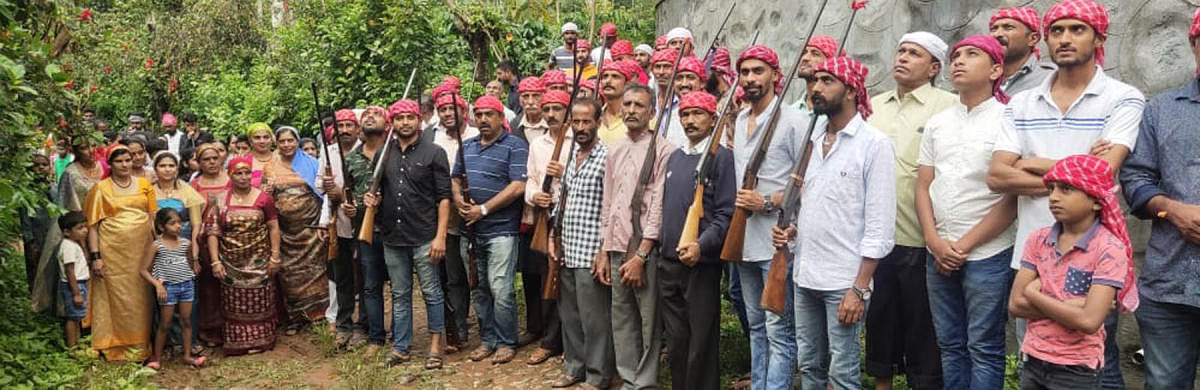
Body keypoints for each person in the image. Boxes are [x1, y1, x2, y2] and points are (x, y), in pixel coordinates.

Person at [987, 2, 1144, 387]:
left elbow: (1103, 173)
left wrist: (1034, 162)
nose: (1065, 38)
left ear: (1099, 37)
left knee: (1094, 362)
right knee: (1035, 357)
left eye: (1077, 29)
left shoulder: (1123, 97)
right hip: (1034, 251)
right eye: (1057, 31)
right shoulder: (1021, 103)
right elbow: (996, 174)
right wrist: (1075, 173)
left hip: (1094, 251)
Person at [772, 56, 895, 390]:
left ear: (852, 91)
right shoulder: (810, 143)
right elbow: (808, 205)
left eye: (827, 81)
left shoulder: (874, 144)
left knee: (842, 372)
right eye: (815, 81)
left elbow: (880, 224)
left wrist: (859, 287)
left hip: (844, 280)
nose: (816, 88)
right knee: (809, 364)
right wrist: (791, 231)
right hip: (805, 274)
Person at [916, 35, 1018, 390]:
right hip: (937, 250)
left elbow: (1011, 196)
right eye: (955, 55)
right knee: (950, 345)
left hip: (988, 253)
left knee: (984, 347)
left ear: (995, 69)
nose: (958, 60)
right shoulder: (938, 122)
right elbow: (923, 185)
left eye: (970, 54)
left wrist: (962, 246)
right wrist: (934, 240)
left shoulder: (1011, 119)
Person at [865, 31, 956, 390]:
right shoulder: (871, 105)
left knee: (923, 327)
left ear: (934, 67)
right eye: (900, 50)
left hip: (922, 236)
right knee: (880, 320)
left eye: (914, 53)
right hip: (876, 236)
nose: (902, 57)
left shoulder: (947, 105)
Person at [1118, 10, 1200, 388]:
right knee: (1165, 384)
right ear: (1194, 45)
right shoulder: (1161, 109)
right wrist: (1172, 210)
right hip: (1171, 284)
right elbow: (1136, 177)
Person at [1009, 155, 1134, 390]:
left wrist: (1034, 293)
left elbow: (1089, 321)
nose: (1053, 197)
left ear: (1096, 201)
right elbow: (1016, 305)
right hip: (1033, 359)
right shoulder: (1038, 239)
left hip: (1077, 368)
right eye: (1052, 188)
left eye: (1066, 189)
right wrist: (1076, 306)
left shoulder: (1108, 248)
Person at [728, 45, 806, 390]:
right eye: (744, 72)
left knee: (779, 330)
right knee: (757, 326)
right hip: (744, 241)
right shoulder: (740, 119)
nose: (750, 79)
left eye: (758, 71)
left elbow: (806, 180)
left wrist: (767, 201)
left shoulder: (793, 120)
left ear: (775, 75)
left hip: (777, 241)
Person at [596, 84, 676, 389]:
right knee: (622, 318)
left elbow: (657, 206)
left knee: (648, 320)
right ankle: (628, 377)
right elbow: (609, 202)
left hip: (644, 249)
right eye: (627, 104)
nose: (631, 110)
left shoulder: (664, 149)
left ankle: (644, 382)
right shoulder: (614, 149)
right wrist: (604, 249)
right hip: (616, 245)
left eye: (639, 105)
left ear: (652, 112)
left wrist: (642, 254)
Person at [361, 99, 451, 369]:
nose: (404, 122)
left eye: (409, 117)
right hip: (393, 236)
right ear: (393, 123)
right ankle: (401, 347)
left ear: (418, 120)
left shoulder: (434, 152)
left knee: (432, 292)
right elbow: (380, 193)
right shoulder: (383, 154)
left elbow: (444, 199)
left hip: (424, 235)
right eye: (399, 118)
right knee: (400, 294)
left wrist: (441, 236)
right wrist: (372, 203)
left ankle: (435, 346)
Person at [658, 91, 736, 390]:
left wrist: (701, 244)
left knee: (701, 342)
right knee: (677, 343)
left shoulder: (722, 159)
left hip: (700, 265)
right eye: (685, 114)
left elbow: (725, 213)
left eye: (698, 114)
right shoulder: (675, 157)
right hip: (668, 263)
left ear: (713, 118)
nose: (690, 120)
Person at [452, 95, 528, 364]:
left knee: (501, 288)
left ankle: (507, 341)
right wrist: (460, 200)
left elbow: (518, 186)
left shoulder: (515, 146)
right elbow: (455, 179)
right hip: (470, 231)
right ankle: (488, 340)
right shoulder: (467, 146)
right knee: (479, 288)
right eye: (479, 114)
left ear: (500, 117)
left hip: (501, 230)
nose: (483, 119)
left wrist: (483, 210)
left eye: (489, 114)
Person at [548, 97, 614, 389]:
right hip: (567, 247)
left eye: (587, 121)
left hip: (591, 252)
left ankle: (598, 375)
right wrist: (553, 233)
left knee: (594, 319)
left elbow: (612, 207)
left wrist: (604, 251)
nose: (581, 127)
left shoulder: (606, 157)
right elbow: (561, 198)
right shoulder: (570, 153)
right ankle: (574, 367)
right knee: (570, 315)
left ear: (598, 123)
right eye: (576, 122)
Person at [84, 145, 158, 360]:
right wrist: (96, 256)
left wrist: (160, 247)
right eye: (119, 161)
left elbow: (153, 217)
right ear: (110, 164)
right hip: (112, 252)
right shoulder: (100, 189)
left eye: (128, 160)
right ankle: (115, 344)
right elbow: (92, 226)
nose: (125, 164)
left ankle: (141, 344)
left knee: (141, 296)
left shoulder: (145, 185)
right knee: (116, 297)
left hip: (141, 251)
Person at [205, 155, 282, 356]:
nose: (243, 177)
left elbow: (273, 227)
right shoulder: (220, 200)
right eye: (238, 173)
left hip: (260, 260)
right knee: (233, 301)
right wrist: (215, 262)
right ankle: (238, 341)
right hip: (231, 262)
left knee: (261, 299)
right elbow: (213, 233)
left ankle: (262, 339)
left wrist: (275, 256)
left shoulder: (264, 198)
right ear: (230, 175)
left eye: (247, 172)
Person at [520, 90, 573, 365]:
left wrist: (565, 173)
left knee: (573, 283)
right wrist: (534, 196)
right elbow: (530, 178)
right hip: (546, 217)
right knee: (548, 279)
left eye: (557, 109)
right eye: (548, 108)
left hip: (574, 218)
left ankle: (574, 343)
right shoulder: (537, 144)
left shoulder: (577, 140)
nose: (551, 114)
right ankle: (551, 341)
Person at [429, 83, 479, 354]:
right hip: (445, 218)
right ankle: (457, 329)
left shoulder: (475, 133)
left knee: (480, 276)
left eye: (452, 108)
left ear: (463, 110)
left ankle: (489, 330)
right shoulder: (432, 137)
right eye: (443, 109)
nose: (448, 113)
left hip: (476, 215)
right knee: (454, 277)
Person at [266, 126, 330, 334]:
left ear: (297, 141)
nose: (286, 145)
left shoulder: (312, 163)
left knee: (317, 271)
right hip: (285, 233)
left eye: (290, 141)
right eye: (282, 141)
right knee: (289, 275)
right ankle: (295, 318)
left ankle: (320, 315)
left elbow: (323, 193)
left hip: (312, 230)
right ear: (277, 143)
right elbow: (265, 199)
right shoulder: (270, 167)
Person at [319, 108, 368, 350]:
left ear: (358, 128)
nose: (346, 130)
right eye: (342, 126)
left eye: (350, 125)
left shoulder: (367, 150)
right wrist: (328, 186)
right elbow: (320, 185)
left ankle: (365, 325)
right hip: (338, 224)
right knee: (343, 277)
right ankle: (343, 325)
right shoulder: (328, 152)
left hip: (364, 223)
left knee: (367, 277)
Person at [142, 208, 206, 369]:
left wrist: (194, 268)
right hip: (168, 288)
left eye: (179, 222)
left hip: (186, 286)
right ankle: (156, 358)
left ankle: (187, 356)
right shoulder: (157, 245)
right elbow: (143, 270)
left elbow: (191, 262)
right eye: (172, 223)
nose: (178, 226)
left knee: (186, 321)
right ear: (162, 227)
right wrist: (157, 284)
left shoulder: (186, 243)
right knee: (165, 323)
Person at [190, 142, 230, 347]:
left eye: (215, 158)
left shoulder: (232, 179)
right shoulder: (195, 185)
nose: (212, 162)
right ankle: (210, 329)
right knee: (209, 287)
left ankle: (232, 326)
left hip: (232, 239)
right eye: (206, 159)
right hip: (205, 242)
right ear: (199, 163)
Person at [989, 7, 1056, 96]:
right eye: (994, 29)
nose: (997, 34)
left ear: (1032, 39)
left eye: (1008, 28)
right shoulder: (978, 77)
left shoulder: (1051, 78)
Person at [57, 211, 89, 347]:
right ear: (67, 232)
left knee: (77, 317)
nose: (85, 230)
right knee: (72, 317)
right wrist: (76, 293)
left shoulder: (74, 244)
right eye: (80, 228)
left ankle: (77, 343)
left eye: (85, 227)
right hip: (74, 286)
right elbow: (69, 271)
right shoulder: (68, 246)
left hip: (79, 284)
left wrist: (82, 243)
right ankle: (72, 346)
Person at [662, 56, 707, 148]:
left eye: (690, 78)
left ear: (702, 82)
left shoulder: (711, 115)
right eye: (679, 78)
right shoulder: (669, 112)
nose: (684, 84)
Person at [789, 35, 839, 111]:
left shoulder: (837, 114)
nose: (805, 58)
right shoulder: (792, 111)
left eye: (815, 54)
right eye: (804, 52)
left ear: (830, 62)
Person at [596, 60, 638, 145]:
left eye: (615, 76)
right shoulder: (595, 116)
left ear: (626, 83)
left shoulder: (639, 116)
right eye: (605, 76)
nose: (608, 81)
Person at [510, 76, 548, 144]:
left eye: (536, 96)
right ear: (520, 100)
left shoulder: (554, 124)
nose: (530, 102)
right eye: (525, 96)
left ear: (544, 98)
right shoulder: (513, 126)